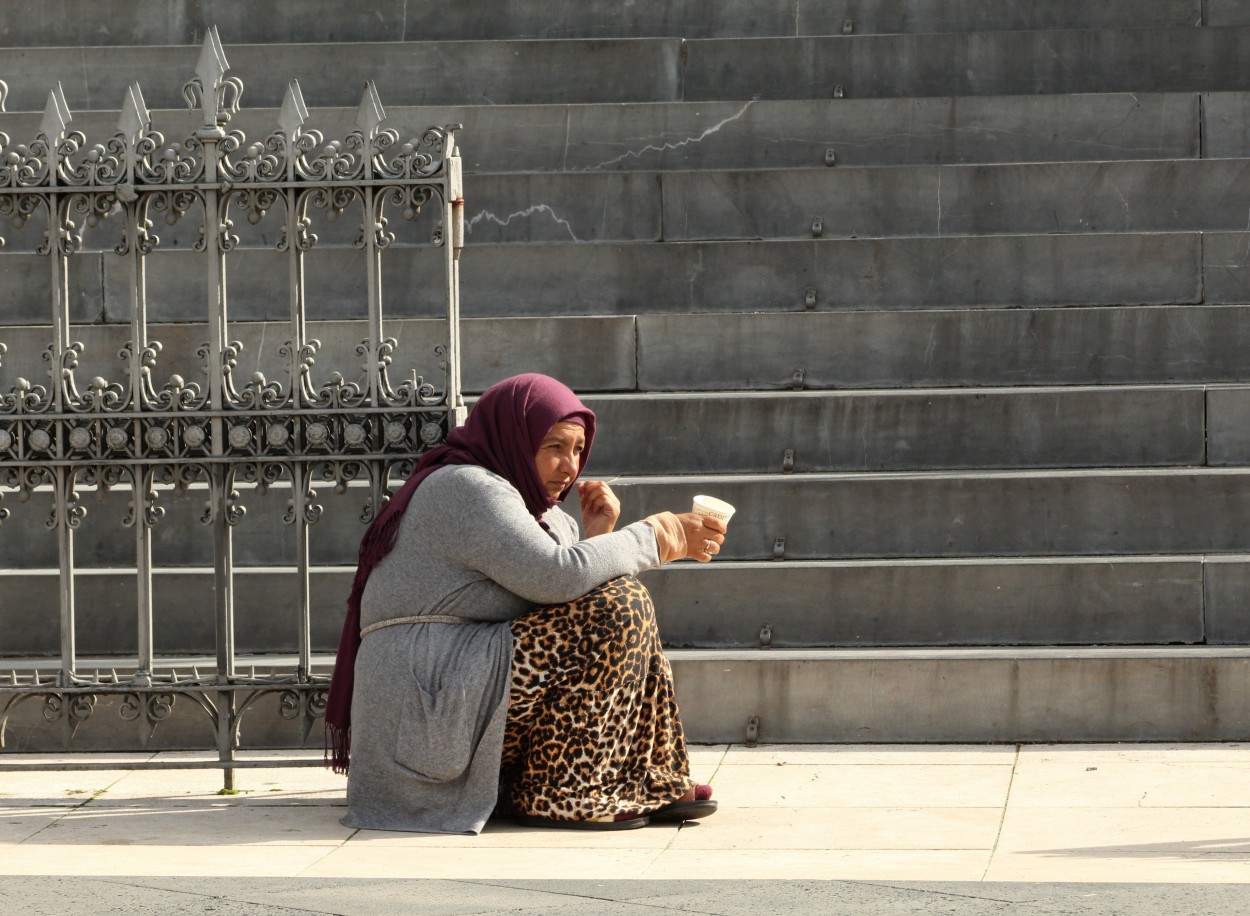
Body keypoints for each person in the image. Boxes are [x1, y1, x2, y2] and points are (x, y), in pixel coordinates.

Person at [324, 373, 727, 834]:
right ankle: (565, 793)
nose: (569, 466)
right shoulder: (465, 486)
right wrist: (660, 535)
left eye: (578, 450)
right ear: (514, 436)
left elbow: (564, 594)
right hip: (424, 707)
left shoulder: (542, 512)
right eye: (554, 446)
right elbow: (554, 577)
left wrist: (597, 538)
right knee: (620, 604)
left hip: (462, 684)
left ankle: (648, 777)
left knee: (623, 600)